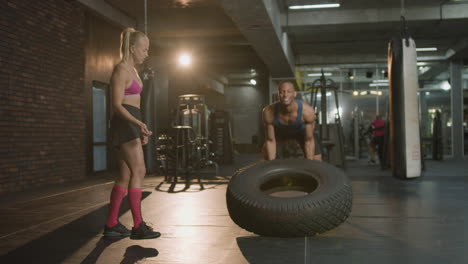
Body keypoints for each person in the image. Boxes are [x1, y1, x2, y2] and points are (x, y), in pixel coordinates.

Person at [103, 28, 160, 240]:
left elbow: (134, 104)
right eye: (144, 49)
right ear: (132, 48)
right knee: (140, 170)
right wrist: (137, 123)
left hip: (132, 123)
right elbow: (117, 105)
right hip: (124, 123)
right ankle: (138, 227)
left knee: (125, 175)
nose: (146, 53)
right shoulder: (121, 70)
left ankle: (111, 224)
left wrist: (140, 127)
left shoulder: (134, 70)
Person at [262, 81, 322, 160]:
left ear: (294, 94)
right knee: (265, 153)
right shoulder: (268, 112)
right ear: (278, 95)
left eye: (289, 92)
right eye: (282, 92)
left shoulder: (307, 111)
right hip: (281, 135)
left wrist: (310, 164)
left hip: (302, 135)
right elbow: (270, 140)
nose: (285, 95)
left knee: (317, 160)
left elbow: (309, 140)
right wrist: (271, 164)